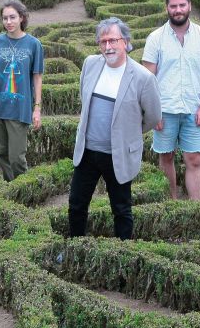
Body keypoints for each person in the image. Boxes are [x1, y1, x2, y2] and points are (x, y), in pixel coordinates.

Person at [69, 17, 162, 240]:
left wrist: (128, 133)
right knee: (76, 205)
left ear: (126, 42)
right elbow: (84, 96)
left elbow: (153, 117)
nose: (108, 47)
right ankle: (74, 245)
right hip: (87, 151)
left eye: (113, 40)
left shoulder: (143, 77)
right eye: (103, 42)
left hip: (118, 154)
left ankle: (123, 254)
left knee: (121, 209)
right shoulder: (90, 64)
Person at [142, 0, 200, 201]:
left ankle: (194, 208)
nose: (178, 10)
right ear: (167, 8)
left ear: (189, 6)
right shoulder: (155, 38)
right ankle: (172, 203)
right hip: (164, 110)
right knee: (166, 157)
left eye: (182, 5)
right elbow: (147, 79)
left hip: (193, 110)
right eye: (173, 6)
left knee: (194, 159)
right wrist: (153, 112)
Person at [0, 0, 44, 181]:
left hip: (20, 108)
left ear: (22, 18)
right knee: (1, 153)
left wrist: (37, 108)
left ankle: (22, 189)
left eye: (13, 17)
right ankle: (12, 190)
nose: (8, 22)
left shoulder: (34, 44)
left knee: (17, 157)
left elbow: (37, 77)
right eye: (5, 18)